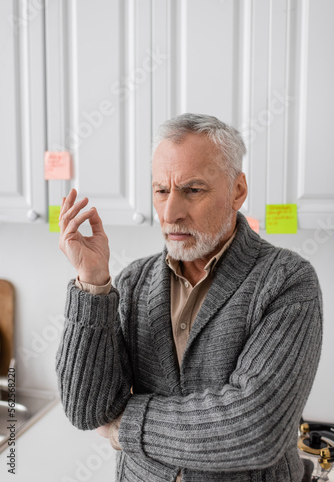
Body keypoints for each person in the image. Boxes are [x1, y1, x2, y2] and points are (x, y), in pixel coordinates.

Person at [56, 113, 322, 482]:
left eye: (193, 190)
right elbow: (87, 409)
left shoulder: (287, 282)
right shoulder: (133, 281)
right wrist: (92, 282)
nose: (170, 213)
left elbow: (256, 428)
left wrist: (125, 426)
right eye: (161, 190)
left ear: (238, 191)